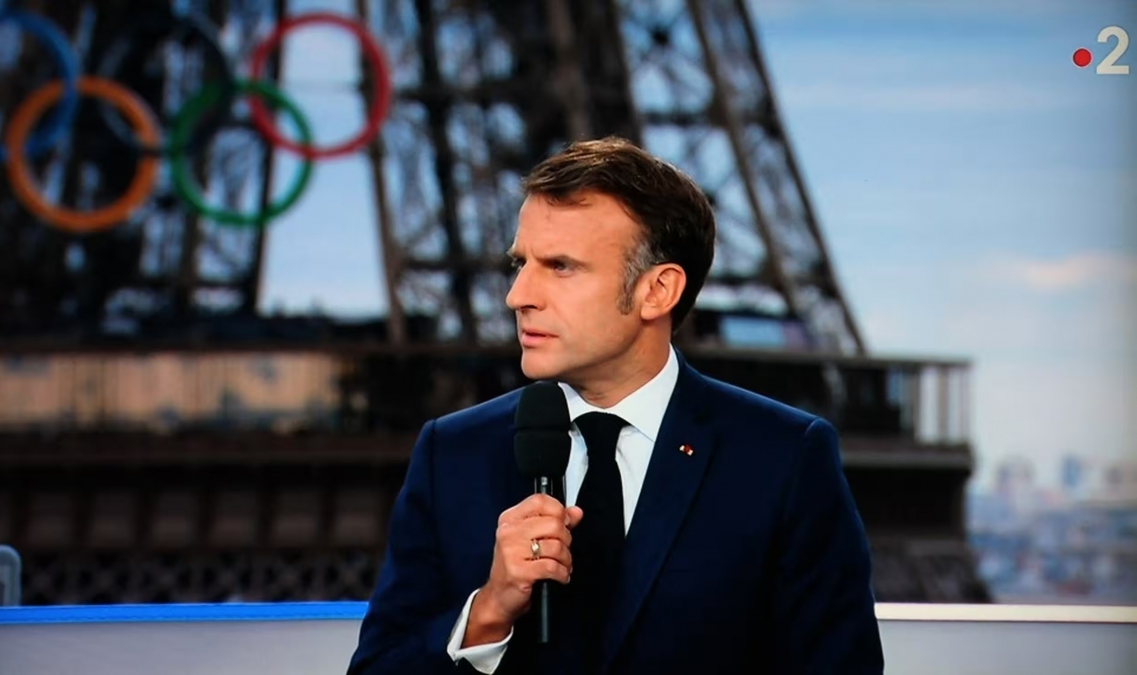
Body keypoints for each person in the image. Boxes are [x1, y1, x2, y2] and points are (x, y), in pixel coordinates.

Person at [346, 137, 884, 674]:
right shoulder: (452, 453)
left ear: (658, 290)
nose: (518, 295)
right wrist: (486, 614)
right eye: (520, 263)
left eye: (560, 266)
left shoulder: (782, 459)